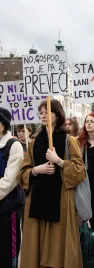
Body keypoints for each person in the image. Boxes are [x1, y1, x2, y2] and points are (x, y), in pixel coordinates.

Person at [18, 99, 86, 268]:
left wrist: (60, 162)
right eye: (40, 113)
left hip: (61, 200)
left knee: (59, 247)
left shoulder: (69, 141)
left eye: (46, 112)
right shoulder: (34, 143)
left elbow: (80, 172)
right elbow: (23, 174)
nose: (42, 115)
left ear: (57, 115)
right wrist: (36, 170)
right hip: (37, 201)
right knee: (37, 247)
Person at [0, 108, 24, 268]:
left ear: (3, 125)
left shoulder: (13, 146)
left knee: (7, 257)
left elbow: (9, 181)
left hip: (7, 211)